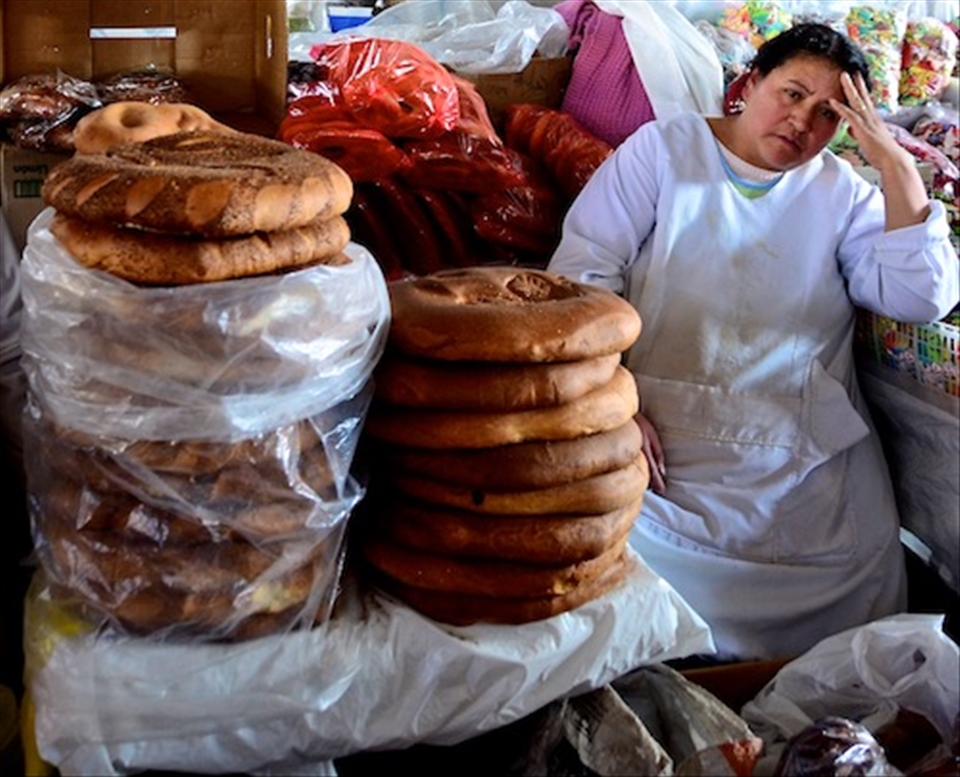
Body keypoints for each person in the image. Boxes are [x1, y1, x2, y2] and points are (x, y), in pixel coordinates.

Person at [548, 23, 960, 661]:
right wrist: (613, 397)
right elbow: (582, 275)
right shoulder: (664, 151)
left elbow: (920, 297)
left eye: (829, 113)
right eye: (792, 93)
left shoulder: (843, 193)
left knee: (850, 572)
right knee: (611, 556)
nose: (802, 121)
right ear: (749, 84)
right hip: (659, 424)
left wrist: (896, 167)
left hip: (791, 444)